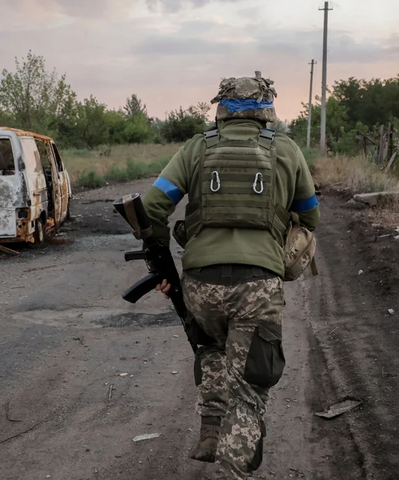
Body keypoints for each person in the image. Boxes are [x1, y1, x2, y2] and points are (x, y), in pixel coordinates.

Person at [142, 72, 320, 480]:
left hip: (201, 286)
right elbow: (311, 216)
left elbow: (153, 205)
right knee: (250, 386)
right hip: (257, 286)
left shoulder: (196, 148)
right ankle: (233, 469)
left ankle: (210, 433)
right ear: (266, 109)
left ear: (221, 108)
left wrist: (161, 257)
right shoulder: (287, 150)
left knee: (210, 349)